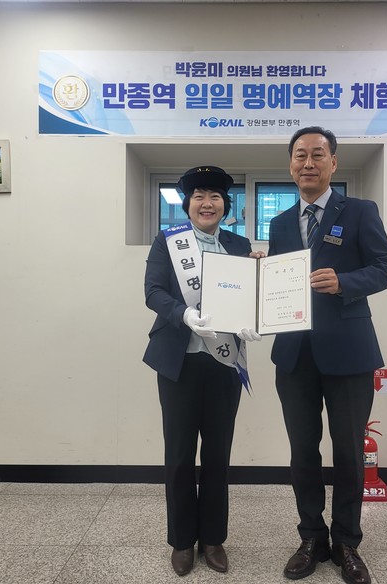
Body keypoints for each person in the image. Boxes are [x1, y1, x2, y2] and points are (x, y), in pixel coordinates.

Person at [269, 127, 387, 584]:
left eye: (317, 155)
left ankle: (346, 542)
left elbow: (385, 268)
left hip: (349, 352)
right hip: (294, 354)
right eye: (300, 155)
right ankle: (310, 538)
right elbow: (280, 283)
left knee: (348, 452)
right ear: (290, 164)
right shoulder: (280, 222)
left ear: (333, 163)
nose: (308, 163)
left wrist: (345, 283)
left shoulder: (360, 211)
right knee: (302, 451)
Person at [143, 165, 261, 577]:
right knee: (178, 455)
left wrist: (254, 319)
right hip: (179, 362)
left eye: (214, 197)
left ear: (225, 205)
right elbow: (153, 292)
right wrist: (184, 314)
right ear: (188, 205)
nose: (207, 203)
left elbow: (249, 296)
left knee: (217, 455)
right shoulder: (168, 241)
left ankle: (212, 538)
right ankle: (181, 541)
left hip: (223, 363)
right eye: (199, 196)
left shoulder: (239, 244)